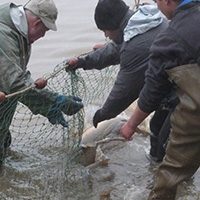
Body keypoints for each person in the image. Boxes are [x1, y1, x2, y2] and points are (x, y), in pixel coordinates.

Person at [67, 0, 172, 162]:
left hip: (186, 94)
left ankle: (167, 177)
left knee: (169, 146)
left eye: (105, 30)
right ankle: (156, 168)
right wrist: (83, 62)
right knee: (157, 128)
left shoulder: (135, 45)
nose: (105, 35)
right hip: (173, 88)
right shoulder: (140, 22)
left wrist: (101, 115)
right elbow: (115, 49)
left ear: (114, 25)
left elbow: (124, 91)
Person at [120, 0, 200, 198]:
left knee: (170, 174)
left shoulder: (169, 39)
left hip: (195, 114)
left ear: (167, 1)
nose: (158, 7)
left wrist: (130, 125)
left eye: (157, 2)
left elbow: (152, 93)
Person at [0, 0, 83, 166]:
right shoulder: (4, 35)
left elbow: (18, 73)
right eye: (44, 30)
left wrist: (46, 104)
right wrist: (53, 102)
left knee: (3, 143)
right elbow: (15, 84)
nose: (43, 36)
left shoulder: (20, 30)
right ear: (37, 23)